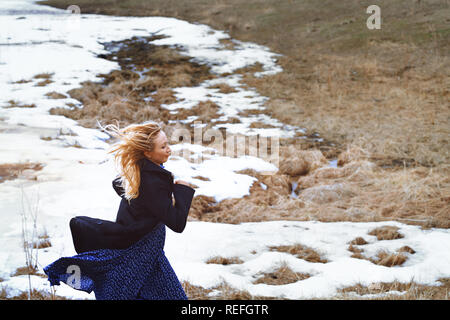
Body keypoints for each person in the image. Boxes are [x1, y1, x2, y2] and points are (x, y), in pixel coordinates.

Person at [43, 120, 196, 300]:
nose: (169, 149)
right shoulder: (152, 181)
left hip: (149, 251)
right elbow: (177, 223)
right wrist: (183, 190)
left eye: (167, 144)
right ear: (147, 153)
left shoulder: (138, 171)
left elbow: (118, 184)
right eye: (163, 147)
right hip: (139, 251)